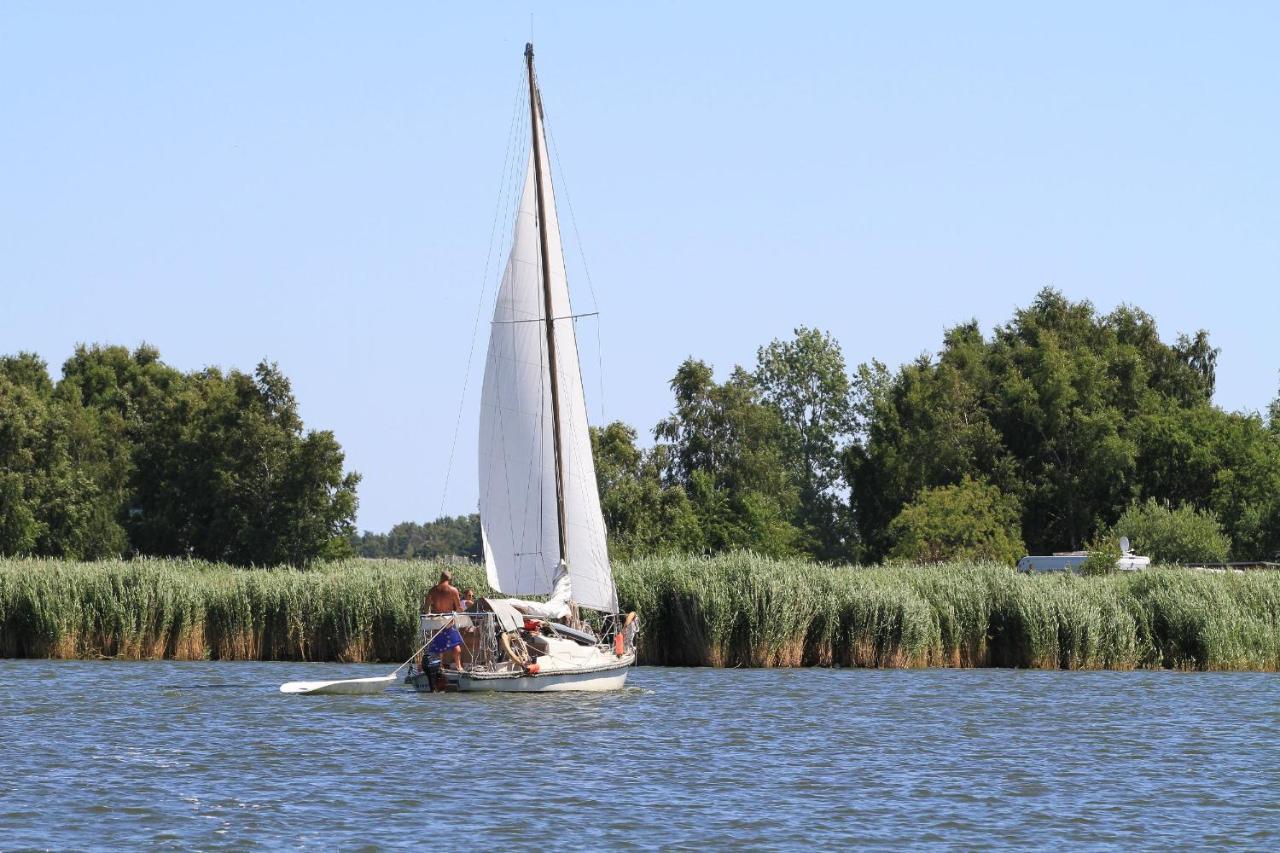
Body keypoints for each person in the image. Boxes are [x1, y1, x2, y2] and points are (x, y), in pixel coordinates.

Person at [424, 572, 464, 671]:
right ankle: (458, 666)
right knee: (455, 646)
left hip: (437, 621)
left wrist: (429, 615)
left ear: (441, 578)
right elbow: (459, 608)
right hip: (449, 621)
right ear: (450, 579)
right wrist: (460, 612)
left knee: (438, 645)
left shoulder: (432, 590)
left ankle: (440, 666)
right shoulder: (453, 590)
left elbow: (426, 607)